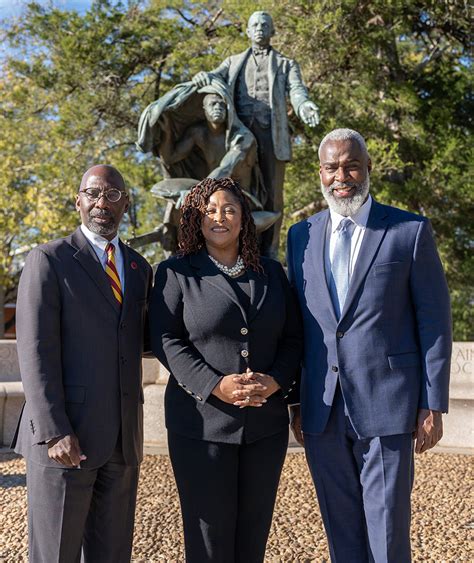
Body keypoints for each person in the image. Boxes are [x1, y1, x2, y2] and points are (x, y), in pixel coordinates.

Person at [287, 128, 452, 562]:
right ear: (319, 173)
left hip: (389, 405)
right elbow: (300, 325)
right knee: (341, 532)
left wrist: (432, 403)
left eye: (350, 165)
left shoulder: (408, 231)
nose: (341, 176)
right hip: (321, 408)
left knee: (387, 530)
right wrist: (295, 401)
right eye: (331, 167)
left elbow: (434, 321)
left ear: (367, 168)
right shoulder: (300, 235)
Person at [149, 177, 302, 563]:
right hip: (201, 428)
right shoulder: (175, 273)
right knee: (208, 541)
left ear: (243, 218)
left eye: (230, 209)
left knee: (253, 536)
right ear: (196, 219)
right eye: (210, 210)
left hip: (265, 428)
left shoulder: (272, 272)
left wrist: (276, 381)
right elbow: (166, 340)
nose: (220, 217)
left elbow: (294, 339)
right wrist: (214, 385)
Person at [12, 165, 153, 562]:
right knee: (56, 554)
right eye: (92, 194)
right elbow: (35, 351)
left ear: (125, 203)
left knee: (112, 554)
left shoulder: (141, 268)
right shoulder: (49, 260)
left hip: (123, 442)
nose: (101, 204)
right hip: (64, 441)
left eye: (112, 195)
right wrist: (55, 430)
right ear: (78, 201)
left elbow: (145, 340)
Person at [193, 11, 319, 258]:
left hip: (272, 136)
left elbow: (297, 90)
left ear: (272, 31)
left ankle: (269, 253)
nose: (260, 28)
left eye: (265, 25)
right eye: (255, 25)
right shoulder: (232, 62)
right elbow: (212, 78)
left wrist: (304, 105)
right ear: (248, 31)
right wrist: (202, 76)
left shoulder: (286, 64)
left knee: (273, 197)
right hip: (241, 135)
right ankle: (237, 247)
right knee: (235, 190)